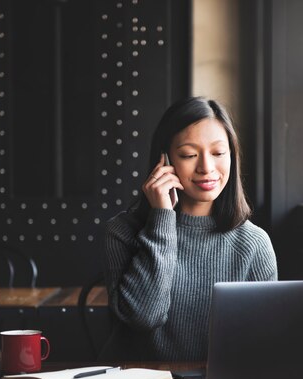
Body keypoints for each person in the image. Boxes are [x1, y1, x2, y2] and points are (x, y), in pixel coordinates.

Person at [101, 96, 278, 361]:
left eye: (219, 153)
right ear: (164, 160)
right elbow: (144, 317)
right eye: (189, 155)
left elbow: (265, 344)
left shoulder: (254, 242)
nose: (207, 168)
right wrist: (162, 216)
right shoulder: (121, 232)